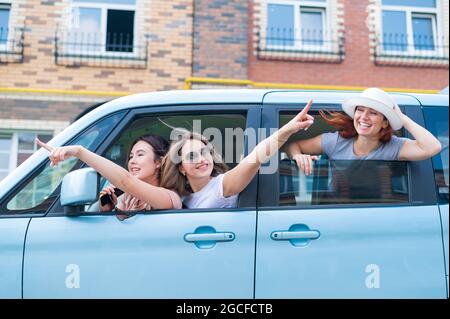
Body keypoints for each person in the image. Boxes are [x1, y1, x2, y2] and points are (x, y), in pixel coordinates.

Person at [160, 100, 315, 209]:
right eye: (192, 156)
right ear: (181, 168)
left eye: (204, 152)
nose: (201, 159)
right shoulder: (183, 198)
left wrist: (287, 129)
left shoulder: (221, 186)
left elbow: (256, 157)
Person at [285, 87, 442, 175]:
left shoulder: (394, 147)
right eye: (360, 110)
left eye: (373, 113)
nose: (364, 117)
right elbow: (292, 145)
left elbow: (432, 147)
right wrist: (298, 156)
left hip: (375, 214)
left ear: (385, 123)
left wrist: (400, 116)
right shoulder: (336, 141)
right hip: (334, 211)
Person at [36, 134, 182, 219]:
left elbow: (126, 181)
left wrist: (79, 152)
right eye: (131, 156)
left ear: (159, 162)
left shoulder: (170, 197)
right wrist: (108, 210)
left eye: (140, 154)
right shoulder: (126, 198)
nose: (132, 161)